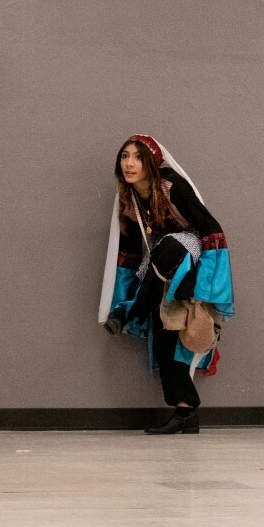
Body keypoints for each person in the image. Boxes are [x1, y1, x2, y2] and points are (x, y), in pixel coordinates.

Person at [99, 135, 235, 434]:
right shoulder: (129, 199)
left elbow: (211, 228)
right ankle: (185, 412)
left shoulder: (172, 187)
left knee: (170, 245)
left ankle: (127, 313)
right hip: (159, 270)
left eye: (136, 157)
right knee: (166, 340)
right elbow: (132, 251)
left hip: (188, 256)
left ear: (151, 162)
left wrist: (207, 283)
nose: (129, 163)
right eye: (124, 156)